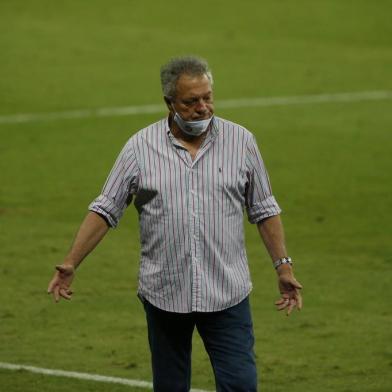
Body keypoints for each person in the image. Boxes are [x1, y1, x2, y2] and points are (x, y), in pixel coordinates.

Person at [47, 56, 303, 392]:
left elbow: (264, 208)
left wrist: (283, 267)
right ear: (169, 102)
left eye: (208, 97)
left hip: (226, 293)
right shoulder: (140, 148)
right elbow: (106, 208)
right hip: (165, 293)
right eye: (191, 101)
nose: (203, 108)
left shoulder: (241, 142)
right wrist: (70, 261)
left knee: (241, 385)